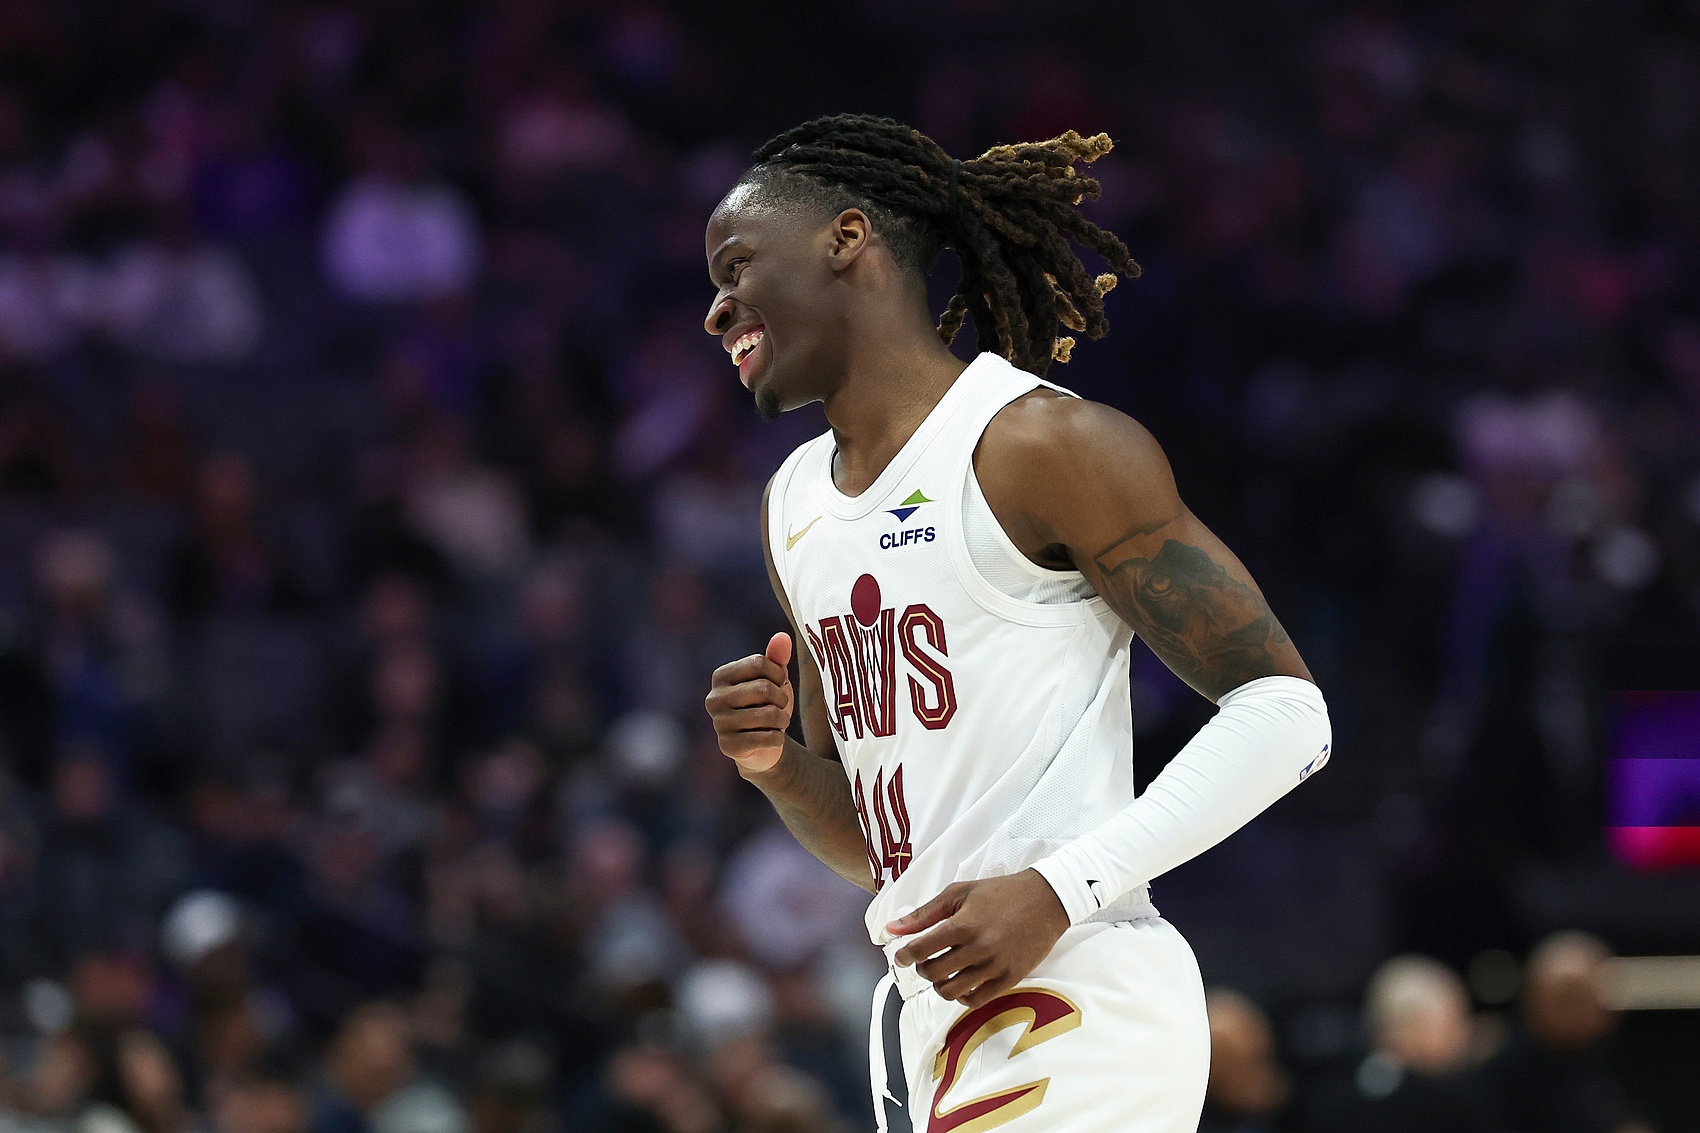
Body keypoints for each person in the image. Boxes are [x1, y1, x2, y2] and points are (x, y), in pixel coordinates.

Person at [701, 114, 1333, 1133]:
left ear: (846, 238)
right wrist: (774, 763)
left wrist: (1058, 887)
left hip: (1074, 987)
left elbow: (1288, 714)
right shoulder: (793, 508)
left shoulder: (1037, 444)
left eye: (735, 266)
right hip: (929, 1011)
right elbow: (881, 845)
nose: (715, 309)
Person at [1474, 932, 1654, 1133]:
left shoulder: (1625, 1060)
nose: (1577, 1010)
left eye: (1586, 997)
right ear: (1533, 999)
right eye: (1566, 998)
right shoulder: (1498, 1076)